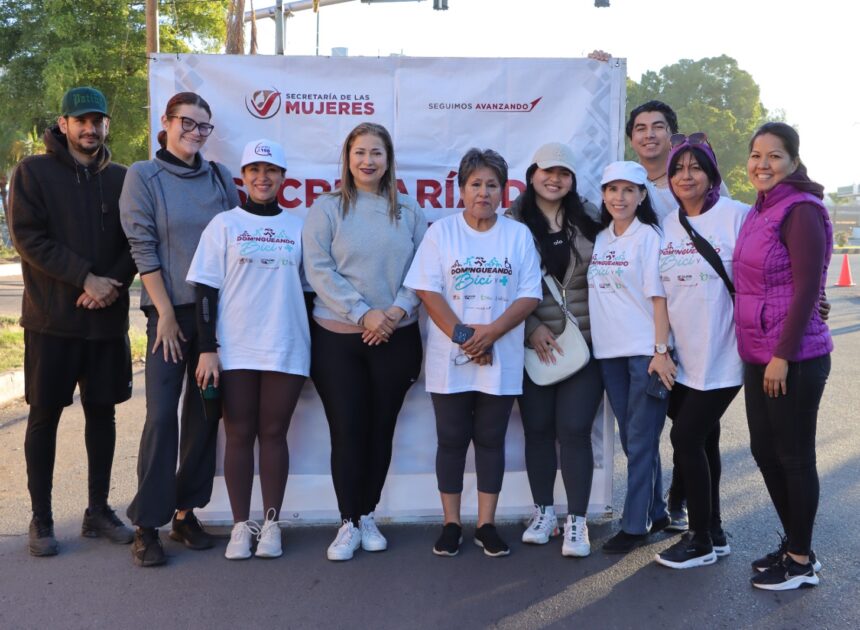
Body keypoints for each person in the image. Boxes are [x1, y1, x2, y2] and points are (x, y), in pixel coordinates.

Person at [8, 86, 136, 557]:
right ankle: (41, 520)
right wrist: (84, 277)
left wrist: (110, 284)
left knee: (103, 414)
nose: (90, 128)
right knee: (43, 417)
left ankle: (97, 512)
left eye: (97, 120)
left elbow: (136, 240)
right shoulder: (33, 173)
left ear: (106, 125)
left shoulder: (124, 178)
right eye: (80, 120)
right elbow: (28, 238)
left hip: (106, 323)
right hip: (51, 322)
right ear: (62, 124)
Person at [120, 91, 240, 567]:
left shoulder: (219, 178)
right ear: (166, 124)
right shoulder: (143, 176)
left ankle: (185, 512)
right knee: (162, 415)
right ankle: (147, 524)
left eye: (203, 126)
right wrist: (165, 313)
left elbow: (236, 237)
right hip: (166, 315)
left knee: (205, 415)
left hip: (214, 317)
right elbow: (142, 246)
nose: (194, 132)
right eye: (186, 123)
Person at [405, 148, 542, 558]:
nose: (483, 192)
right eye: (476, 184)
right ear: (461, 189)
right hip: (452, 357)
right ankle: (451, 523)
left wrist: (492, 334)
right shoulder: (441, 233)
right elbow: (427, 291)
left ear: (504, 190)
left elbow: (529, 294)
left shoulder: (517, 235)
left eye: (492, 185)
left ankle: (485, 524)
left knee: (490, 440)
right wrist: (467, 337)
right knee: (450, 440)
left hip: (500, 355)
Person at [302, 122, 426, 562]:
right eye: (360, 153)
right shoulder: (328, 208)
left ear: (388, 160)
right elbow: (317, 268)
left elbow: (422, 273)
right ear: (347, 158)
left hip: (396, 336)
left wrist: (391, 314)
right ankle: (348, 521)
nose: (368, 161)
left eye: (376, 153)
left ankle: (368, 513)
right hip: (338, 340)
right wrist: (362, 312)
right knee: (348, 430)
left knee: (380, 429)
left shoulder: (408, 211)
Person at [187, 139, 309, 560]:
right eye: (255, 170)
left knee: (274, 434)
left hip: (286, 345)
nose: (263, 177)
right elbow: (205, 291)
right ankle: (242, 526)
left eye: (271, 170)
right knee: (238, 434)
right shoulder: (224, 225)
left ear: (282, 178)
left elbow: (309, 294)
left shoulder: (299, 227)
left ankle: (271, 524)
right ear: (244, 177)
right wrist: (207, 348)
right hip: (234, 348)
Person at [734, 123, 831, 590]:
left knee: (793, 456)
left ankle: (799, 559)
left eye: (774, 156)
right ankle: (797, 542)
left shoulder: (801, 210)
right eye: (756, 155)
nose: (762, 164)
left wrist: (783, 355)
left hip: (793, 357)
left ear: (793, 161)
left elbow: (809, 285)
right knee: (764, 450)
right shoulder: (761, 208)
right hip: (759, 352)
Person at [653, 133, 749, 570]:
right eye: (677, 169)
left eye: (695, 167)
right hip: (684, 358)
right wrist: (661, 347)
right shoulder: (669, 224)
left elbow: (776, 269)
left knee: (686, 437)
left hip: (726, 355)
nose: (685, 176)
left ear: (711, 174)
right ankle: (715, 530)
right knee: (705, 438)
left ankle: (698, 538)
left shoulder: (738, 216)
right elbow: (660, 292)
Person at [505, 142, 603, 557]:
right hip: (534, 346)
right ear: (532, 174)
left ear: (572, 179)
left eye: (564, 172)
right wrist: (529, 327)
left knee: (575, 432)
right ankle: (543, 512)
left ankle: (576, 522)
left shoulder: (592, 218)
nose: (555, 178)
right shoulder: (510, 222)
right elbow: (500, 283)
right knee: (539, 431)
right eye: (547, 171)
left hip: (586, 343)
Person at [588, 161, 674, 554]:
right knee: (633, 439)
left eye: (628, 190)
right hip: (609, 353)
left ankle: (635, 524)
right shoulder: (603, 237)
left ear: (642, 196)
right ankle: (657, 510)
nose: (618, 198)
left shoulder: (649, 237)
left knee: (640, 440)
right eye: (612, 190)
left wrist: (660, 352)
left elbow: (659, 299)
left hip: (644, 354)